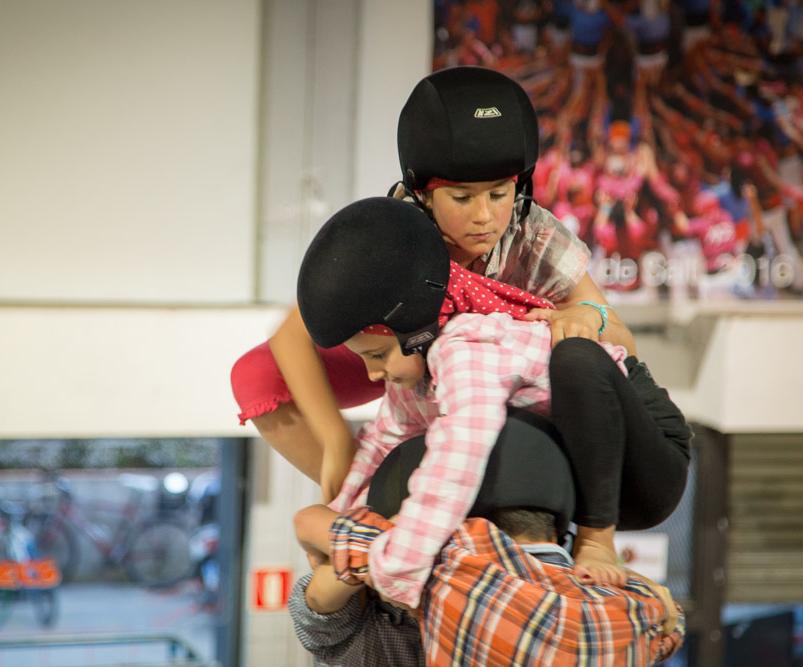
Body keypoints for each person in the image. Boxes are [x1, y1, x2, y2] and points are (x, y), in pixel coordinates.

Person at [231, 65, 637, 504]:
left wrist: (588, 316)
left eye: (499, 194)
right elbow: (293, 337)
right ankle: (368, 502)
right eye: (461, 198)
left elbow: (624, 346)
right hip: (398, 351)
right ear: (421, 193)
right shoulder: (395, 233)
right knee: (256, 375)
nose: (484, 216)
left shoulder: (536, 235)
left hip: (485, 369)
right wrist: (334, 441)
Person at [294, 195, 691, 606]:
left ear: (415, 330)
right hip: (584, 470)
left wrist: (400, 563)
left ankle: (596, 538)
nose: (374, 375)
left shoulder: (468, 350)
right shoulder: (413, 376)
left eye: (377, 356)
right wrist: (339, 519)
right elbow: (381, 443)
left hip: (644, 461)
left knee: (574, 358)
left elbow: (458, 458)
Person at [292, 413, 684, 666]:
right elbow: (668, 620)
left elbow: (309, 550)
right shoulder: (621, 615)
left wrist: (388, 550)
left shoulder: (448, 569)